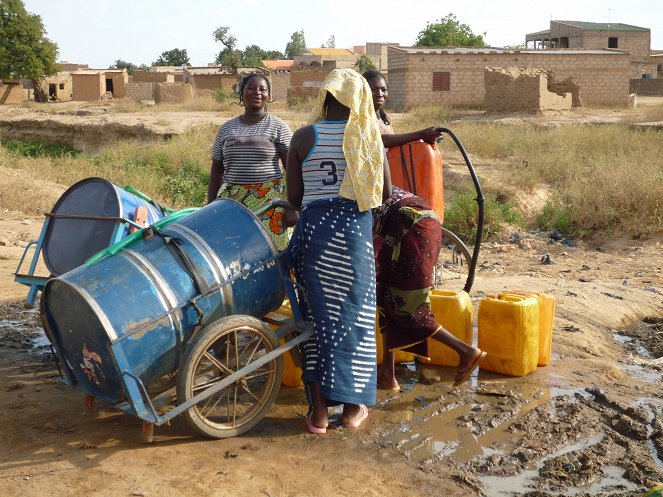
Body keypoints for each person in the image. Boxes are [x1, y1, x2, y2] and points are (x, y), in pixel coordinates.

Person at [286, 68, 392, 434]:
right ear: (360, 99)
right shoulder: (368, 138)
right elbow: (385, 194)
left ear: (326, 98)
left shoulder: (302, 138)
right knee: (354, 322)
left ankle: (317, 413)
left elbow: (296, 199)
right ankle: (350, 411)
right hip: (352, 242)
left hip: (314, 242)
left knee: (313, 321)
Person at [373, 186, 486, 391]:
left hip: (410, 232)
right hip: (421, 226)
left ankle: (466, 351)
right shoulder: (356, 176)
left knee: (407, 307)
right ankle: (387, 376)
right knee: (385, 295)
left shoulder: (337, 197)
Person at [208, 72, 295, 250]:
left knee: (272, 251)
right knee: (232, 250)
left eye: (262, 89)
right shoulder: (226, 128)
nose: (257, 92)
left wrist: (292, 207)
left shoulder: (278, 126)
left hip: (269, 202)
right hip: (232, 201)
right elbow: (216, 171)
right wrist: (209, 209)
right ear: (242, 93)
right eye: (251, 88)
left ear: (268, 96)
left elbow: (292, 170)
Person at [362, 70, 443, 147]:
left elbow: (393, 144)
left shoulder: (385, 119)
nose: (380, 94)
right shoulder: (360, 118)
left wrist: (424, 138)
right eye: (373, 90)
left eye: (383, 90)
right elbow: (379, 140)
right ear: (362, 92)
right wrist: (420, 134)